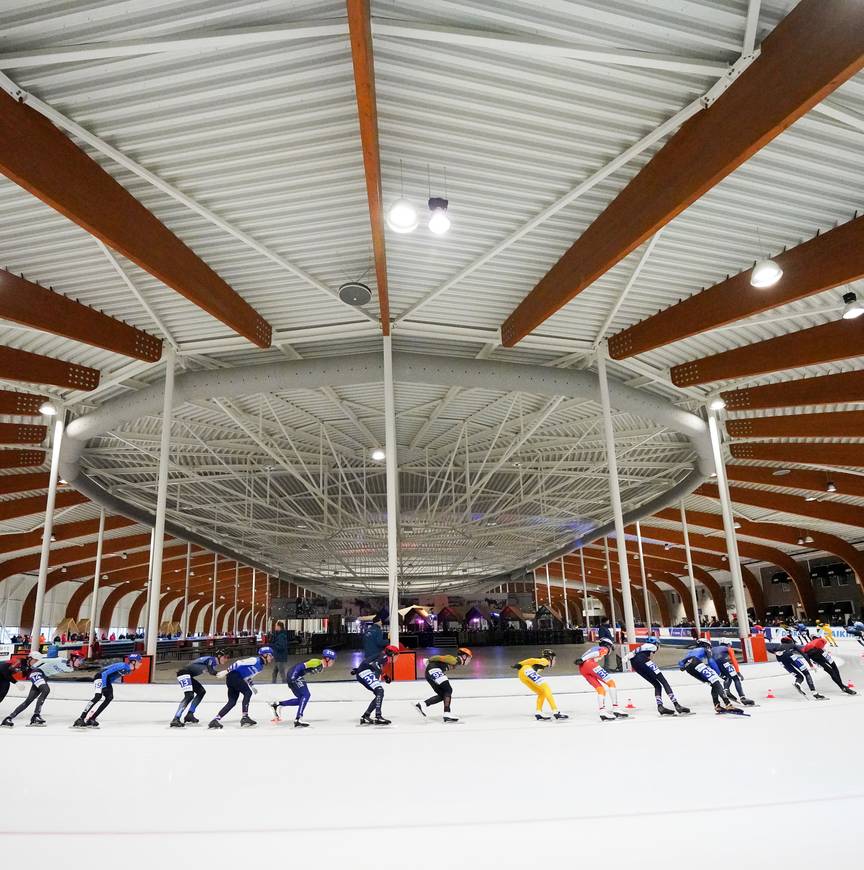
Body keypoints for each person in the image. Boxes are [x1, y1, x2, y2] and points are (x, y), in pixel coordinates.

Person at [1, 651, 81, 727]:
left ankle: (9, 718)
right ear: (73, 658)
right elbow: (43, 660)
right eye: (79, 660)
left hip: (43, 676)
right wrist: (32, 668)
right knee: (46, 690)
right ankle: (36, 715)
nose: (81, 662)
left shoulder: (70, 669)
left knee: (29, 700)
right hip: (38, 672)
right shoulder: (61, 660)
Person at [208, 646, 274, 729]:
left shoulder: (260, 667)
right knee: (247, 693)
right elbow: (239, 662)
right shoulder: (255, 660)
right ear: (265, 655)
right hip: (234, 675)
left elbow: (247, 677)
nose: (272, 658)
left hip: (233, 678)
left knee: (232, 702)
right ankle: (245, 717)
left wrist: (252, 686)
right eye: (270, 656)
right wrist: (227, 671)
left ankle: (215, 720)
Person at [271, 648, 337, 727]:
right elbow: (300, 666)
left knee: (301, 700)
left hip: (296, 675)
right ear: (327, 659)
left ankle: (278, 705)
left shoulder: (320, 667)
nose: (333, 663)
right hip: (294, 674)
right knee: (306, 695)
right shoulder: (316, 662)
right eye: (332, 660)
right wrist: (293, 676)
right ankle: (298, 718)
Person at [623, 637, 689, 715]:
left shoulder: (640, 647)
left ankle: (660, 707)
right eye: (658, 645)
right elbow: (651, 651)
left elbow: (628, 656)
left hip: (635, 664)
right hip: (643, 660)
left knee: (657, 685)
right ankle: (677, 705)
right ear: (655, 643)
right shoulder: (652, 646)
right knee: (664, 681)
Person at [73, 654, 143, 727]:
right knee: (98, 696)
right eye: (139, 662)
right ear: (133, 662)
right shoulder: (123, 666)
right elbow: (104, 673)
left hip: (107, 680)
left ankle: (92, 718)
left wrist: (108, 686)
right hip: (100, 676)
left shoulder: (128, 671)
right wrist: (104, 686)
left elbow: (113, 677)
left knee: (109, 697)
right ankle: (81, 718)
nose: (141, 664)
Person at [170, 649, 230, 727]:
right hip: (183, 673)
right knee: (189, 695)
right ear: (219, 656)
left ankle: (190, 714)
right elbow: (212, 672)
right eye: (225, 657)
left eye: (228, 657)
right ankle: (176, 718)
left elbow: (212, 671)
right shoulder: (211, 659)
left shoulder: (213, 663)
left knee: (201, 692)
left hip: (188, 675)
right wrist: (225, 673)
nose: (226, 659)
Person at [678, 640, 739, 714]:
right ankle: (728, 704)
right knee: (716, 682)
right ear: (707, 645)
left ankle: (717, 705)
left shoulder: (692, 651)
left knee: (713, 684)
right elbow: (711, 661)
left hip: (688, 668)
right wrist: (719, 673)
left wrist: (684, 666)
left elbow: (681, 665)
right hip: (696, 662)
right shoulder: (706, 649)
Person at [415, 647, 473, 723]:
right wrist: (429, 660)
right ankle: (447, 713)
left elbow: (441, 662)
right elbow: (440, 657)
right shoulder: (454, 660)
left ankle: (422, 704)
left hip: (430, 672)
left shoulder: (455, 662)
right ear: (464, 656)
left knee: (444, 695)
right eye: (469, 658)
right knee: (448, 689)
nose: (469, 661)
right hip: (433, 669)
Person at [577, 638, 626, 721]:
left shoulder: (593, 648)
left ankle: (602, 711)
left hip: (582, 668)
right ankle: (615, 708)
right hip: (590, 664)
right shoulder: (604, 648)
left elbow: (592, 654)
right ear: (608, 645)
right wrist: (582, 659)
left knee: (600, 689)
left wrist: (582, 659)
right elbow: (597, 653)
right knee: (611, 683)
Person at [352, 643, 399, 725]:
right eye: (396, 655)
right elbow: (375, 664)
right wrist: (383, 675)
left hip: (362, 672)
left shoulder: (381, 655)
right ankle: (378, 716)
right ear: (391, 654)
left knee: (379, 693)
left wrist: (357, 670)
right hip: (364, 672)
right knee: (380, 691)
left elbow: (368, 662)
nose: (396, 658)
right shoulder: (384, 657)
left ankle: (366, 716)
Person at [514, 649, 567, 721]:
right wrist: (520, 663)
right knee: (546, 687)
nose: (555, 661)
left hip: (522, 675)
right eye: (554, 659)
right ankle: (555, 711)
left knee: (541, 693)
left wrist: (520, 665)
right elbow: (532, 660)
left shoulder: (542, 665)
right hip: (526, 670)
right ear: (550, 658)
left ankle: (538, 712)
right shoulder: (545, 661)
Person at [713, 642, 755, 706]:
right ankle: (742, 697)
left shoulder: (713, 648)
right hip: (723, 662)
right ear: (728, 644)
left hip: (714, 664)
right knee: (736, 679)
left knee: (727, 677)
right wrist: (738, 672)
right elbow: (733, 660)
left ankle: (726, 690)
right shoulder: (728, 648)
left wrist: (718, 672)